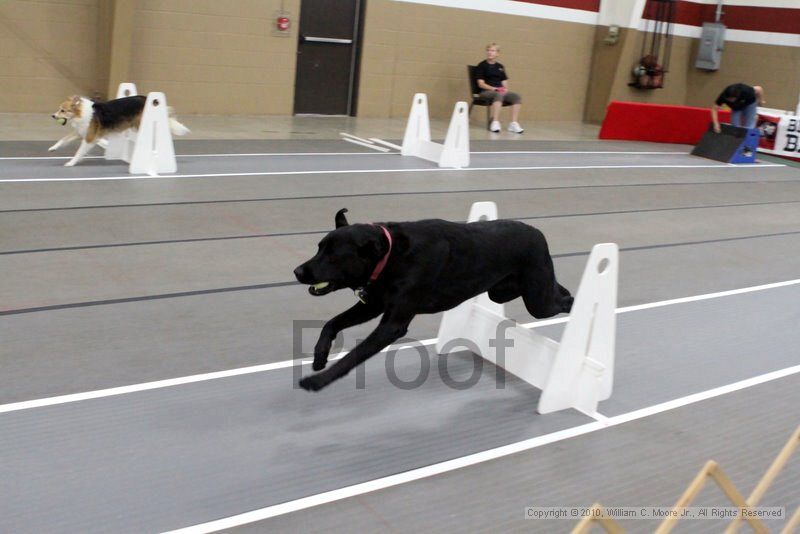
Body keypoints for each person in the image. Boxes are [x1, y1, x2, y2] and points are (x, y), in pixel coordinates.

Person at [475, 43, 523, 133]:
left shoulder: (500, 67)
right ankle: (495, 122)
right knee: (498, 94)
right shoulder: (481, 65)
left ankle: (513, 123)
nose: (490, 52)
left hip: (499, 91)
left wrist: (505, 89)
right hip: (486, 92)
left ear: (497, 53)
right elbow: (481, 84)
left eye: (492, 51)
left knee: (516, 96)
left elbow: (504, 82)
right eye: (488, 50)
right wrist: (494, 89)